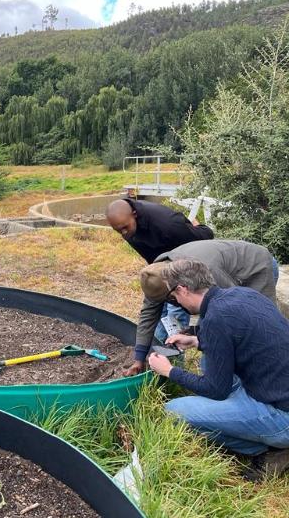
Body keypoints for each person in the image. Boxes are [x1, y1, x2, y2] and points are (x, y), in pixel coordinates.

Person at [147, 258, 289, 480]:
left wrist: (168, 371)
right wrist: (197, 341)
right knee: (208, 361)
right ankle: (247, 423)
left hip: (281, 414)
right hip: (275, 385)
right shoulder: (242, 294)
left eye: (173, 296)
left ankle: (270, 449)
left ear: (182, 289)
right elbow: (239, 337)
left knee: (173, 410)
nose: (176, 301)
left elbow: (216, 389)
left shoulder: (215, 317)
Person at [124, 239, 279, 376]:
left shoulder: (206, 270)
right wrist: (139, 359)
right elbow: (147, 318)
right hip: (223, 270)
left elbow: (233, 306)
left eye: (172, 299)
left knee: (257, 323)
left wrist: (202, 334)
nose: (173, 303)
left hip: (255, 266)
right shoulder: (153, 277)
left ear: (178, 287)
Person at [106, 198, 214, 344]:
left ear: (135, 214)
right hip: (162, 267)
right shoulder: (126, 227)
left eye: (125, 228)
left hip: (183, 271)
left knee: (175, 311)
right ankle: (159, 351)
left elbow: (205, 238)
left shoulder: (168, 225)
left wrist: (199, 227)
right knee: (158, 311)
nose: (123, 233)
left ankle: (174, 355)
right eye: (118, 231)